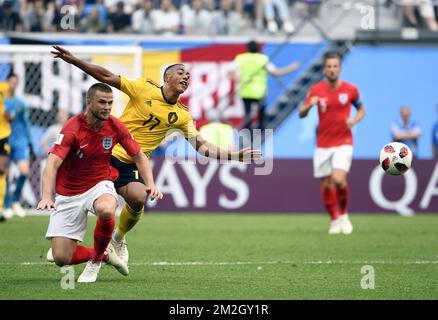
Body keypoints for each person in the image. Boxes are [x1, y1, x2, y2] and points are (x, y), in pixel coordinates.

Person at [51, 45, 261, 264]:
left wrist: (233, 155)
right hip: (106, 154)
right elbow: (107, 77)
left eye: (188, 75)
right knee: (98, 204)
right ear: (167, 77)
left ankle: (118, 239)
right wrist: (75, 61)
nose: (186, 77)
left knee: (139, 197)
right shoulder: (143, 88)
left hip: (133, 162)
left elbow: (202, 147)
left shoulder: (182, 115)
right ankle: (66, 245)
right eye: (181, 73)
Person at [37, 83, 163, 283]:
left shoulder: (115, 125)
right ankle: (105, 255)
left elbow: (138, 154)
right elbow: (52, 163)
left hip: (100, 183)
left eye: (110, 103)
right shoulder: (73, 128)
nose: (107, 107)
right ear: (89, 102)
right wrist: (46, 196)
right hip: (69, 193)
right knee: (61, 258)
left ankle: (95, 262)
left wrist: (151, 183)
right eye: (102, 102)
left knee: (106, 208)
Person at [299, 52, 366, 235]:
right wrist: (309, 105)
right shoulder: (316, 90)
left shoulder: (350, 89)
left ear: (340, 69)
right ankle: (334, 220)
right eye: (328, 66)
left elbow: (361, 110)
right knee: (327, 184)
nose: (332, 69)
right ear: (324, 69)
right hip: (323, 143)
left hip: (344, 140)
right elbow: (301, 113)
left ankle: (344, 215)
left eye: (335, 66)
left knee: (338, 179)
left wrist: (354, 121)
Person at [231, 40, 300, 131]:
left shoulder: (241, 58)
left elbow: (230, 71)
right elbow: (275, 72)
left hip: (245, 90)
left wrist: (238, 79)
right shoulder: (262, 59)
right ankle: (261, 130)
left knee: (248, 113)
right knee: (261, 113)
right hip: (259, 91)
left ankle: (247, 131)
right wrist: (291, 68)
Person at [3, 73, 33, 218]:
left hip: (20, 141)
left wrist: (30, 142)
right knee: (5, 172)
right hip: (5, 139)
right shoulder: (2, 102)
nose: (13, 85)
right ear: (6, 83)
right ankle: (7, 205)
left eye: (16, 82)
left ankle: (15, 200)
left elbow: (26, 123)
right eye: (11, 82)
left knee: (24, 171)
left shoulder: (21, 102)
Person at [0, 80, 11, 223]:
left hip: (2, 135)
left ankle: (1, 207)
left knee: (1, 170)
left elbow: (9, 113)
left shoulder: (4, 87)